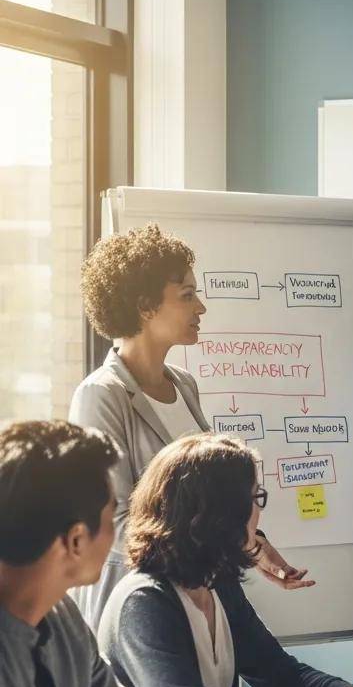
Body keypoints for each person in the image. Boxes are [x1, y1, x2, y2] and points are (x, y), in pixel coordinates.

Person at [0, 420, 338, 687]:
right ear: (75, 540)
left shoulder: (63, 620)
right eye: (110, 516)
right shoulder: (138, 600)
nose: (118, 533)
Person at [69, 223, 313, 630]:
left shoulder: (184, 384)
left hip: (199, 596)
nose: (200, 307)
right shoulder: (101, 394)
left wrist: (256, 545)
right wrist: (233, 543)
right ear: (145, 305)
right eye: (187, 295)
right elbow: (113, 523)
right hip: (139, 609)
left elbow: (209, 496)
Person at [97, 433, 353, 687]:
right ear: (220, 512)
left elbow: (282, 677)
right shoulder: (145, 604)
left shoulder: (217, 583)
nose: (259, 513)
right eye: (255, 498)